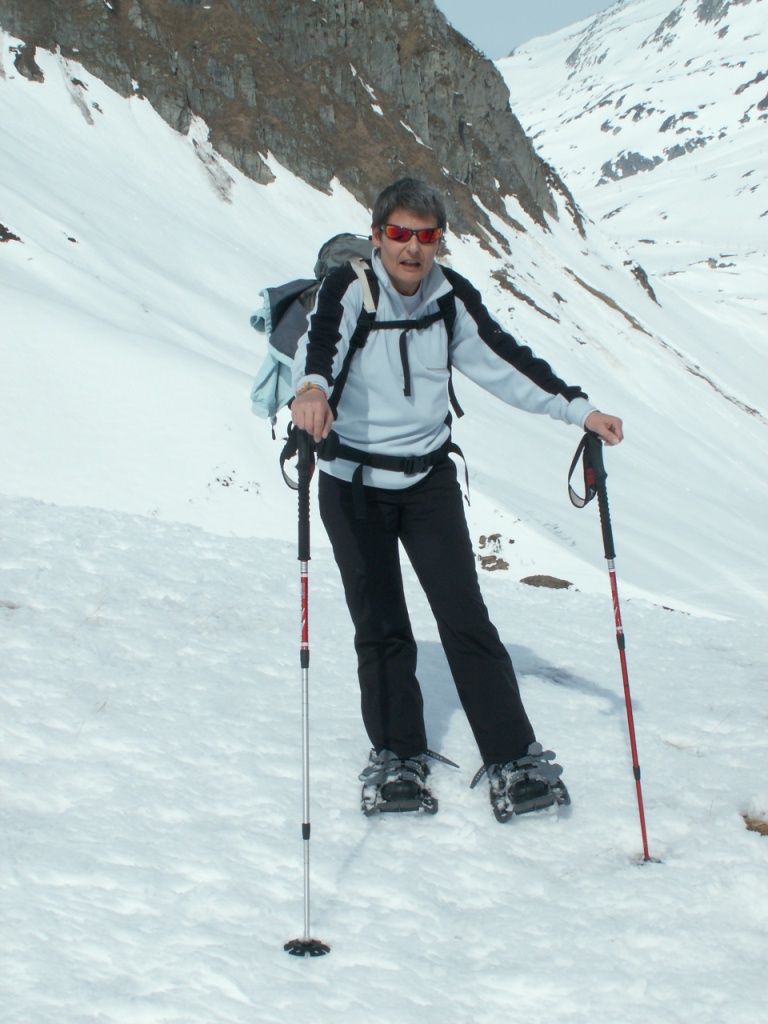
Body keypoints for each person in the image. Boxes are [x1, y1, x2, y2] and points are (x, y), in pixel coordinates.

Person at [291, 177, 623, 822]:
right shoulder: (348, 288)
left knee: (465, 617)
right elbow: (321, 346)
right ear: (377, 234)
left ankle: (513, 755)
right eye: (399, 233)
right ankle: (397, 755)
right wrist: (311, 391)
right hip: (353, 482)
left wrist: (578, 410)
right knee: (380, 624)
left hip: (427, 482)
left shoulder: (449, 297)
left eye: (427, 236)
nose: (412, 248)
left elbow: (505, 362)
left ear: (439, 242)